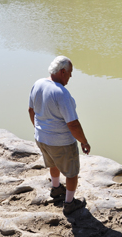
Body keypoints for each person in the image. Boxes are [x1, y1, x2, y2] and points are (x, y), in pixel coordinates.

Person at [28, 56, 91, 216]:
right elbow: (73, 124)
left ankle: (56, 189)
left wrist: (40, 130)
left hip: (41, 138)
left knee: (53, 163)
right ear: (63, 72)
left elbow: (31, 111)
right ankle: (69, 203)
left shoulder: (38, 84)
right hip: (61, 142)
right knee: (71, 173)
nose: (71, 76)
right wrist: (84, 142)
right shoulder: (61, 93)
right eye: (70, 73)